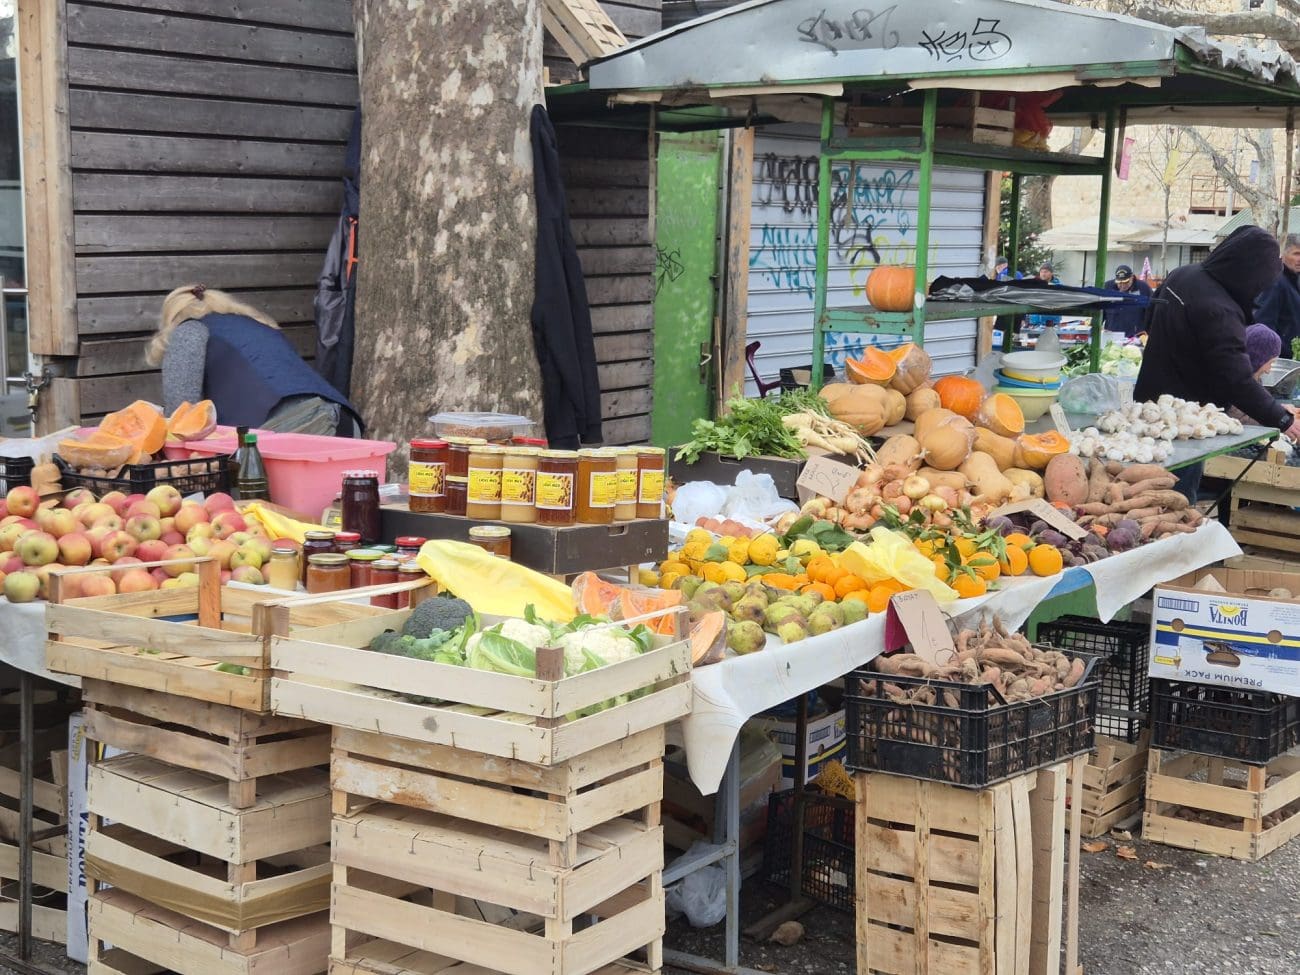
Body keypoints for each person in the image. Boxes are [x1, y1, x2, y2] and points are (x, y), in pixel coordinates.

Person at [1135, 226, 1300, 496]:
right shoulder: (1220, 309)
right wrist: (1283, 419)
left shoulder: (1182, 275)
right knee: (1173, 497)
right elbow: (1237, 379)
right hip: (1185, 423)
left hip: (1148, 403)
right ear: (1249, 272)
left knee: (1144, 490)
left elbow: (1149, 322)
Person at [148, 284, 363, 436]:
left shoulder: (188, 330)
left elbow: (182, 418)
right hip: (345, 420)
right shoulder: (258, 326)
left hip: (293, 427)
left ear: (172, 320)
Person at [1227, 324, 1283, 426]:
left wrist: (1281, 410)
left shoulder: (1255, 378)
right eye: (1270, 363)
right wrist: (1276, 421)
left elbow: (1263, 406)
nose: (1268, 371)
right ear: (1259, 359)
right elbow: (1240, 421)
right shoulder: (1236, 383)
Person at [1253, 233, 1300, 354]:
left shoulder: (1294, 280)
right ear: (1282, 254)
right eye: (1296, 254)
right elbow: (1264, 324)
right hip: (1280, 360)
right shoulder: (1275, 282)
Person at [1101, 264, 1153, 337]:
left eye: (1126, 282)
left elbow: (1151, 312)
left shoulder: (1143, 288)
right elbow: (1100, 310)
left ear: (1132, 277)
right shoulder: (1107, 287)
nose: (1122, 285)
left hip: (1136, 336)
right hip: (1112, 334)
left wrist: (1148, 332)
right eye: (1119, 282)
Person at [1024, 262, 1062, 334]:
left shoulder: (1058, 286)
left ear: (1051, 273)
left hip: (1051, 324)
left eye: (1046, 272)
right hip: (1034, 323)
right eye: (1041, 272)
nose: (1043, 274)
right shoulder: (1035, 284)